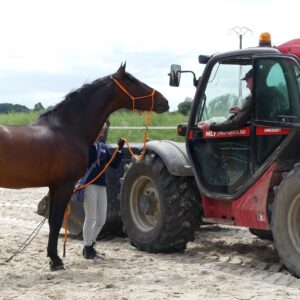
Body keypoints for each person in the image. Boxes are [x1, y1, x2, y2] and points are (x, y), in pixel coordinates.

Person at [82, 121, 125, 259]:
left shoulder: (103, 147)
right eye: (101, 127)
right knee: (90, 218)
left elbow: (114, 164)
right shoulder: (86, 146)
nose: (103, 129)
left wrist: (119, 149)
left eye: (104, 128)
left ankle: (92, 245)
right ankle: (87, 248)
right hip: (89, 184)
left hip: (101, 185)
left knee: (101, 219)